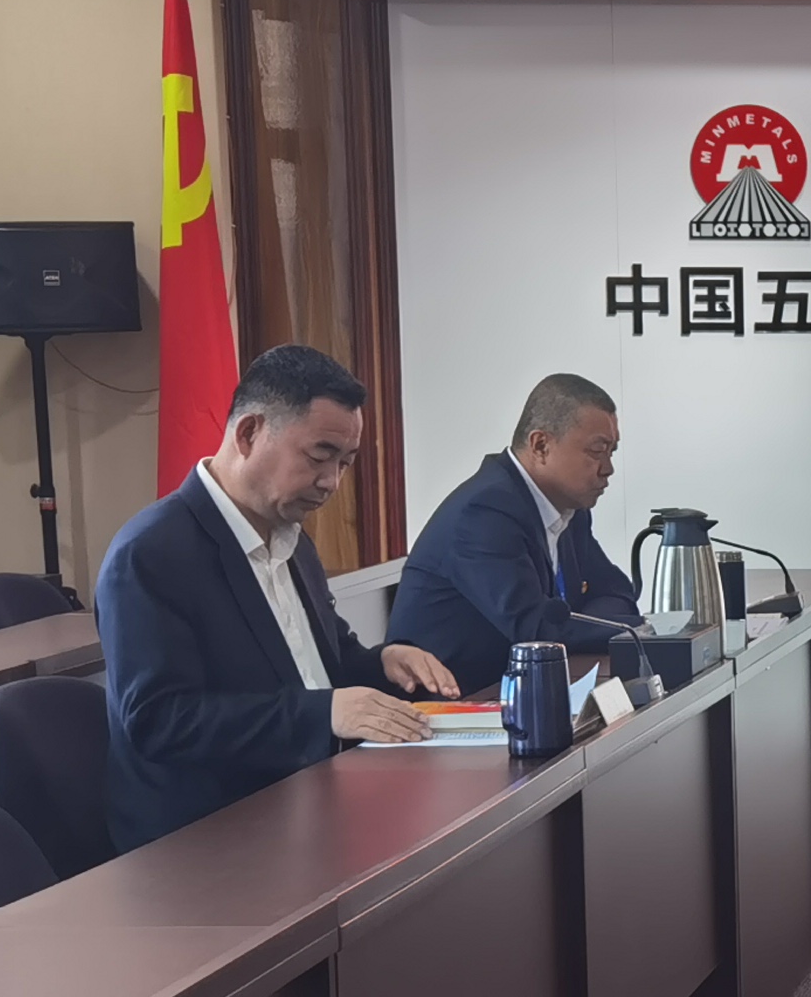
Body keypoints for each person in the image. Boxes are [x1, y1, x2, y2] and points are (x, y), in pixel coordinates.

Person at [97, 343, 460, 852]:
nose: (331, 482)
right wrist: (323, 714)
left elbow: (323, 666)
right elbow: (159, 721)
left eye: (345, 463)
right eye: (319, 456)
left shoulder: (293, 541)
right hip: (207, 838)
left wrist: (384, 662)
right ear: (249, 433)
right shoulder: (150, 554)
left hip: (310, 802)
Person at [388, 371, 647, 688]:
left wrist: (586, 620)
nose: (608, 469)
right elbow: (537, 631)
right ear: (541, 445)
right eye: (597, 451)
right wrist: (635, 627)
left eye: (611, 452)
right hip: (450, 703)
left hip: (520, 691)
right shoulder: (485, 512)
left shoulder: (570, 508)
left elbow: (617, 593)